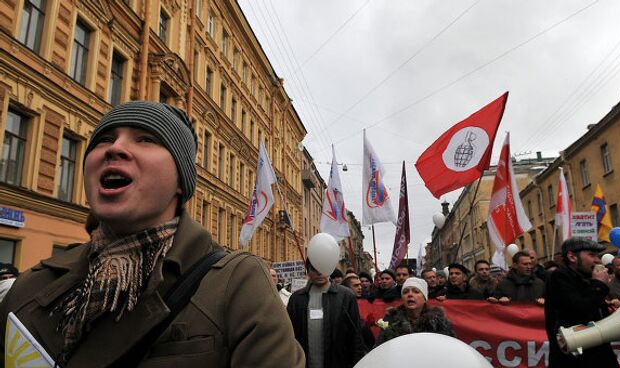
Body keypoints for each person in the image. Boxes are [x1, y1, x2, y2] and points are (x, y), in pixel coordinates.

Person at [0, 101, 305, 367]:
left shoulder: (236, 285)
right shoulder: (32, 285)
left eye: (146, 139)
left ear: (180, 183)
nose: (115, 148)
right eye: (104, 139)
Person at [545, 237, 619, 368]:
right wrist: (599, 285)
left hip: (598, 355)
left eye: (597, 255)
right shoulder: (559, 277)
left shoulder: (587, 278)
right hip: (575, 359)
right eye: (591, 255)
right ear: (572, 257)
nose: (597, 260)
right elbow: (581, 311)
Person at [287, 258, 366, 368]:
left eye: (323, 267)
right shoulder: (296, 299)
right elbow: (291, 337)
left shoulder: (346, 296)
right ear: (308, 270)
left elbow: (355, 336)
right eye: (314, 269)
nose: (319, 272)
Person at [374, 277, 455, 347]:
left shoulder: (439, 321)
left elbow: (450, 347)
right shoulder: (390, 319)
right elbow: (380, 347)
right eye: (405, 292)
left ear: (424, 298)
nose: (410, 295)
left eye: (416, 291)